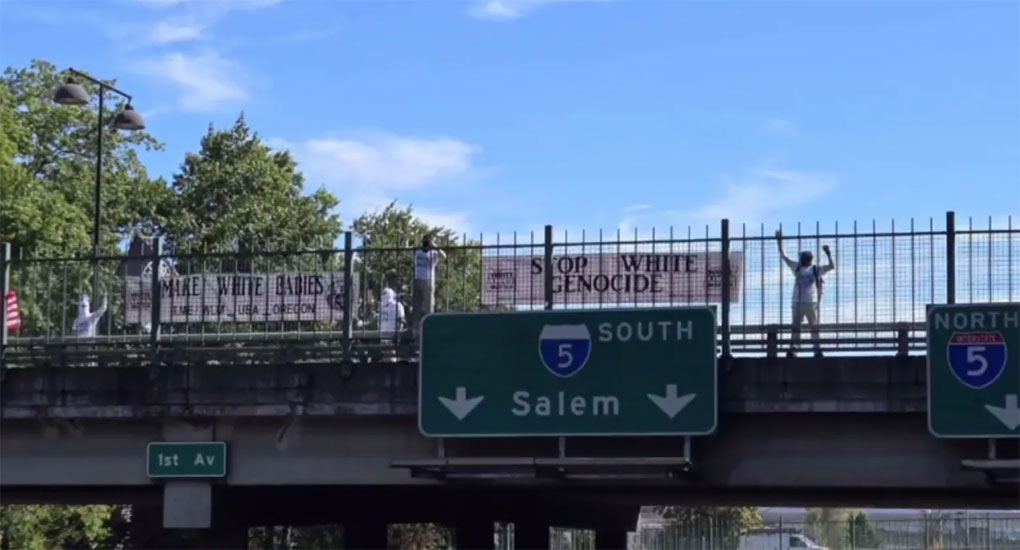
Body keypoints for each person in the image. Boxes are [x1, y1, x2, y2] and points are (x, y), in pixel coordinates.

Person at [776, 231, 834, 357]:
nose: (800, 260)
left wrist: (828, 254)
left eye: (802, 258)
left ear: (806, 259)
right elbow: (783, 255)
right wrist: (780, 242)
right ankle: (796, 348)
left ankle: (814, 349)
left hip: (807, 302)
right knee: (798, 327)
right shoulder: (798, 267)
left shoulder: (813, 269)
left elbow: (831, 266)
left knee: (811, 327)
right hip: (800, 302)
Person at [412, 235, 446, 338]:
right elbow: (406, 250)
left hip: (428, 280)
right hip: (417, 279)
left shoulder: (433, 253)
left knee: (428, 305)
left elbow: (444, 256)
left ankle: (429, 326)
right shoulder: (418, 252)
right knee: (417, 305)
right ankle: (416, 330)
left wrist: (434, 245)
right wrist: (406, 238)